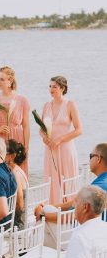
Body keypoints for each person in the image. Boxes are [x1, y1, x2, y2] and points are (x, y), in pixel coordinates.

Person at [34, 143, 107, 249]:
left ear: (99, 159)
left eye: (91, 156)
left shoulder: (99, 187)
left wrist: (42, 215)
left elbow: (71, 215)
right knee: (48, 217)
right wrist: (53, 206)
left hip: (86, 239)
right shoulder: (102, 182)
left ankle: (36, 255)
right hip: (99, 236)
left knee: (44, 219)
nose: (89, 160)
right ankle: (51, 256)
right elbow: (74, 202)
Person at [31, 185, 107, 258]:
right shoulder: (104, 228)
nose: (74, 205)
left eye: (76, 202)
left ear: (85, 207)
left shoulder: (81, 236)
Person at [41, 76, 82, 204]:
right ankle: (53, 209)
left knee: (67, 178)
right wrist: (44, 138)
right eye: (50, 86)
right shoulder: (46, 105)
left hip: (65, 149)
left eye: (54, 86)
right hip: (51, 150)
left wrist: (60, 139)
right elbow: (41, 129)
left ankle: (70, 209)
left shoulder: (70, 104)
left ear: (62, 88)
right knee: (51, 179)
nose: (51, 89)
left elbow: (79, 129)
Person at [0, 66, 30, 175]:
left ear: (10, 81)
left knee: (16, 172)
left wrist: (26, 146)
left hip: (16, 139)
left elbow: (26, 126)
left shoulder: (22, 100)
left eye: (2, 79)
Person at [5, 139, 28, 230]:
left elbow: (19, 204)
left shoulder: (14, 173)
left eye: (3, 151)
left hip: (16, 224)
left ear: (12, 156)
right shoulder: (18, 170)